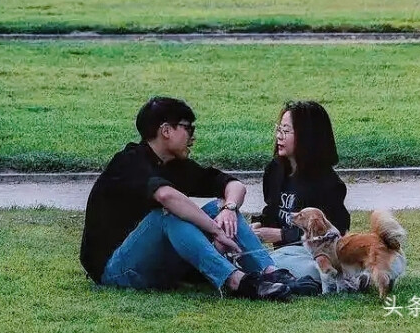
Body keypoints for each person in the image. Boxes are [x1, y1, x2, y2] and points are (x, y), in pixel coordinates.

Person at [80, 96, 292, 302]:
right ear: (166, 131)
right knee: (166, 215)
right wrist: (215, 230)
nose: (193, 137)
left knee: (220, 208)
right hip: (116, 270)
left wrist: (228, 208)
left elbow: (234, 185)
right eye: (188, 128)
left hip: (158, 266)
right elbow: (166, 195)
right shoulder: (128, 162)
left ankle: (270, 273)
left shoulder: (175, 165)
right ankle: (236, 281)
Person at [252, 101, 350, 286]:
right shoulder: (274, 170)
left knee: (309, 267)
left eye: (286, 131)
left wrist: (280, 235)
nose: (279, 136)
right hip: (284, 254)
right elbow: (272, 212)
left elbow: (337, 231)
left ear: (307, 137)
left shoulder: (328, 183)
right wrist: (257, 227)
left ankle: (333, 277)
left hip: (312, 254)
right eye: (279, 129)